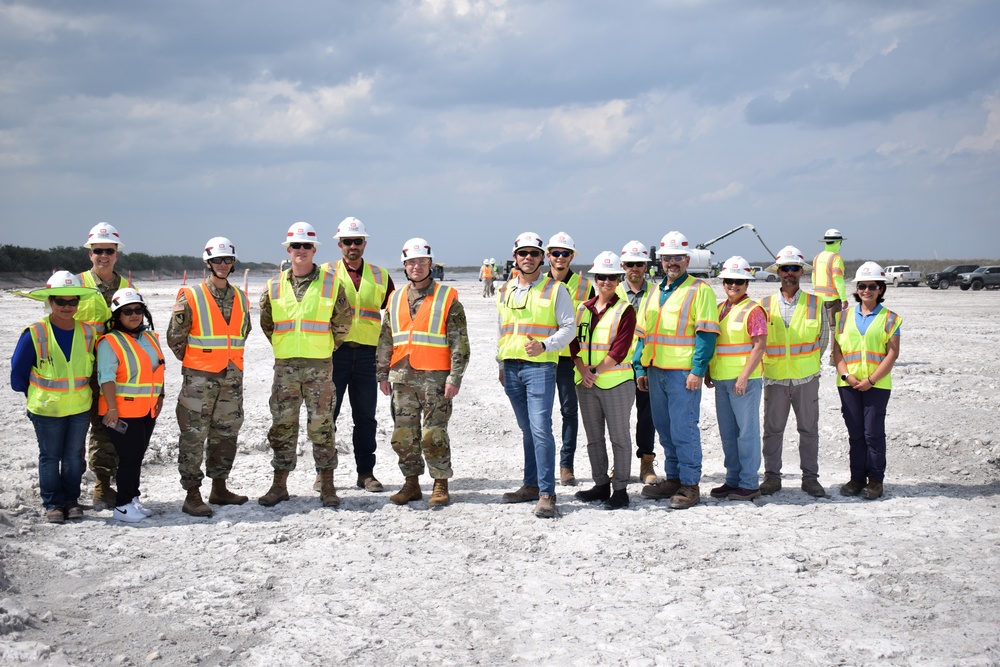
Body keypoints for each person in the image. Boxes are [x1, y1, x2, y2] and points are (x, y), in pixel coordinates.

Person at [259, 223, 353, 508]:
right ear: (288, 250)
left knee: (322, 426)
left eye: (307, 246)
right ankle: (279, 485)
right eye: (296, 246)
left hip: (319, 368)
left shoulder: (331, 283)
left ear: (314, 250)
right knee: (283, 426)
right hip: (285, 367)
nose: (301, 250)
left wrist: (324, 348)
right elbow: (267, 323)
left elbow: (343, 322)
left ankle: (327, 485)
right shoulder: (273, 286)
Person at [376, 238, 471, 507]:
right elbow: (386, 338)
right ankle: (412, 484)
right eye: (411, 262)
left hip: (436, 379)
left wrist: (455, 377)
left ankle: (440, 483)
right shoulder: (394, 298)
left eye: (421, 261)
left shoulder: (447, 297)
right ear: (404, 265)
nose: (416, 266)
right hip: (402, 378)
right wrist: (382, 373)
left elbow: (459, 341)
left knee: (433, 434)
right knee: (404, 435)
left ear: (430, 264)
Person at [167, 237, 251, 518]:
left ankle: (219, 487)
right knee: (193, 436)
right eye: (218, 260)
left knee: (226, 433)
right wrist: (197, 362)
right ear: (208, 263)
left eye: (228, 260)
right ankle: (192, 494)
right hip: (199, 380)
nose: (223, 265)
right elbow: (175, 338)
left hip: (231, 378)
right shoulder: (190, 296)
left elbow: (243, 332)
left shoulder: (240, 297)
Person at [634, 231, 719, 510]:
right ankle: (673, 478)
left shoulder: (699, 290)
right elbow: (643, 333)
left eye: (678, 258)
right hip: (656, 369)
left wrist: (698, 369)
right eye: (667, 258)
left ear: (687, 259)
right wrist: (640, 366)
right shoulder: (655, 290)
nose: (672, 262)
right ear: (661, 260)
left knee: (684, 428)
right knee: (665, 428)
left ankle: (690, 484)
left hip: (683, 373)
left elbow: (706, 334)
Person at [497, 232, 575, 518]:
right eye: (522, 253)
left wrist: (545, 345)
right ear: (515, 257)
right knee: (527, 429)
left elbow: (569, 328)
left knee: (541, 428)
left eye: (533, 253)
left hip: (541, 367)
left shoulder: (556, 290)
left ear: (542, 257)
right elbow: (502, 328)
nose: (527, 258)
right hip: (511, 367)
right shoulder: (504, 290)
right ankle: (530, 485)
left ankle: (546, 493)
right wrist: (500, 363)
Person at [10, 272, 99, 523]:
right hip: (47, 411)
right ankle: (53, 504)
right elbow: (17, 374)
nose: (67, 307)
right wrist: (35, 394)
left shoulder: (88, 333)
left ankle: (71, 501)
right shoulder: (35, 333)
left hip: (79, 408)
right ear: (50, 302)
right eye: (61, 302)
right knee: (50, 456)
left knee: (72, 457)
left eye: (73, 302)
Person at [324, 217, 395, 493]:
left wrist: (386, 360)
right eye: (347, 242)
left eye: (357, 241)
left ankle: (366, 473)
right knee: (326, 417)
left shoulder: (380, 276)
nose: (352, 246)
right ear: (339, 244)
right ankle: (324, 473)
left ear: (364, 243)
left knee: (365, 417)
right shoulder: (325, 273)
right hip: (334, 354)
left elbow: (392, 318)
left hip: (367, 356)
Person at [758, 245, 828, 498]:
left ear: (801, 272)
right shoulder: (763, 305)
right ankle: (772, 478)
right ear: (778, 272)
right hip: (775, 378)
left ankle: (810, 479)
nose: (789, 273)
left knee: (808, 430)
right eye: (785, 268)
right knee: (772, 430)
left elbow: (822, 340)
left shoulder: (815, 303)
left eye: (794, 268)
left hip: (806, 378)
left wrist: (808, 365)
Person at [570, 252, 636, 509]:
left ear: (619, 279)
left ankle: (620, 490)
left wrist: (593, 372)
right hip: (585, 383)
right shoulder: (582, 308)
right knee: (594, 437)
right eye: (601, 277)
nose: (606, 281)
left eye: (611, 277)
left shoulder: (625, 310)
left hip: (616, 383)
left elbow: (619, 350)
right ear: (594, 278)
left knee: (619, 437)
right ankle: (600, 485)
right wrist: (582, 370)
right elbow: (574, 343)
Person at [833, 262, 901, 500]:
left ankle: (876, 481)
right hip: (848, 385)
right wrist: (847, 377)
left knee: (873, 433)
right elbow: (837, 353)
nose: (866, 290)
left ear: (881, 289)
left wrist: (871, 380)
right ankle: (856, 479)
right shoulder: (842, 317)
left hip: (877, 386)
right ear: (857, 288)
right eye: (862, 285)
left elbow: (892, 353)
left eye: (872, 286)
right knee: (856, 434)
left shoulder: (890, 319)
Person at [77, 222, 133, 510]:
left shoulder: (126, 288)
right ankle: (67, 495)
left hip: (112, 374)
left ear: (116, 254)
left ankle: (103, 487)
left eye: (108, 251)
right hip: (79, 372)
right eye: (98, 250)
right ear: (90, 254)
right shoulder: (75, 286)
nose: (103, 255)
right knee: (73, 433)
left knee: (106, 429)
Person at [96, 287, 164, 523]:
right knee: (129, 458)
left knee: (137, 456)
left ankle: (133, 498)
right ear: (117, 316)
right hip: (121, 413)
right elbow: (106, 377)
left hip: (146, 410)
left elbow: (157, 371)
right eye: (127, 312)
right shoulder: (110, 342)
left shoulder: (149, 338)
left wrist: (160, 397)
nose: (134, 315)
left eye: (138, 310)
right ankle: (122, 506)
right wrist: (112, 410)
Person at [705, 257, 767, 500]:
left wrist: (743, 377)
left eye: (739, 281)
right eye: (729, 281)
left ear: (746, 283)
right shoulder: (720, 309)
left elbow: (759, 346)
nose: (733, 285)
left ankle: (749, 483)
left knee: (746, 433)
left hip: (744, 382)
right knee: (729, 433)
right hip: (722, 380)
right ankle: (733, 480)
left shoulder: (754, 310)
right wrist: (710, 370)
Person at [545, 232, 594, 487]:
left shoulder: (586, 286)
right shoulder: (538, 283)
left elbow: (588, 327)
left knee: (568, 412)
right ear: (548, 255)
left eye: (565, 253)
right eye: (555, 253)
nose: (560, 258)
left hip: (570, 360)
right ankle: (542, 465)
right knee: (540, 415)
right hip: (542, 358)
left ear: (572, 256)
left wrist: (585, 363)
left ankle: (566, 465)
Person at [616, 240, 658, 484]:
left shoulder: (656, 292)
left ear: (646, 265)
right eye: (630, 264)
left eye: (639, 264)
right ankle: (618, 465)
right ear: (623, 265)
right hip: (618, 365)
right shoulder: (612, 290)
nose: (635, 268)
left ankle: (646, 464)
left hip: (646, 364)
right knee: (617, 419)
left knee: (647, 417)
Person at [812, 228, 848, 352]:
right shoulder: (836, 258)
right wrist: (843, 298)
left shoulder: (817, 257)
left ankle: (816, 355)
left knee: (818, 329)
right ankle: (834, 357)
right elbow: (838, 280)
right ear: (838, 242)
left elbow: (813, 278)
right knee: (835, 329)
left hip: (818, 299)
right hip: (833, 300)